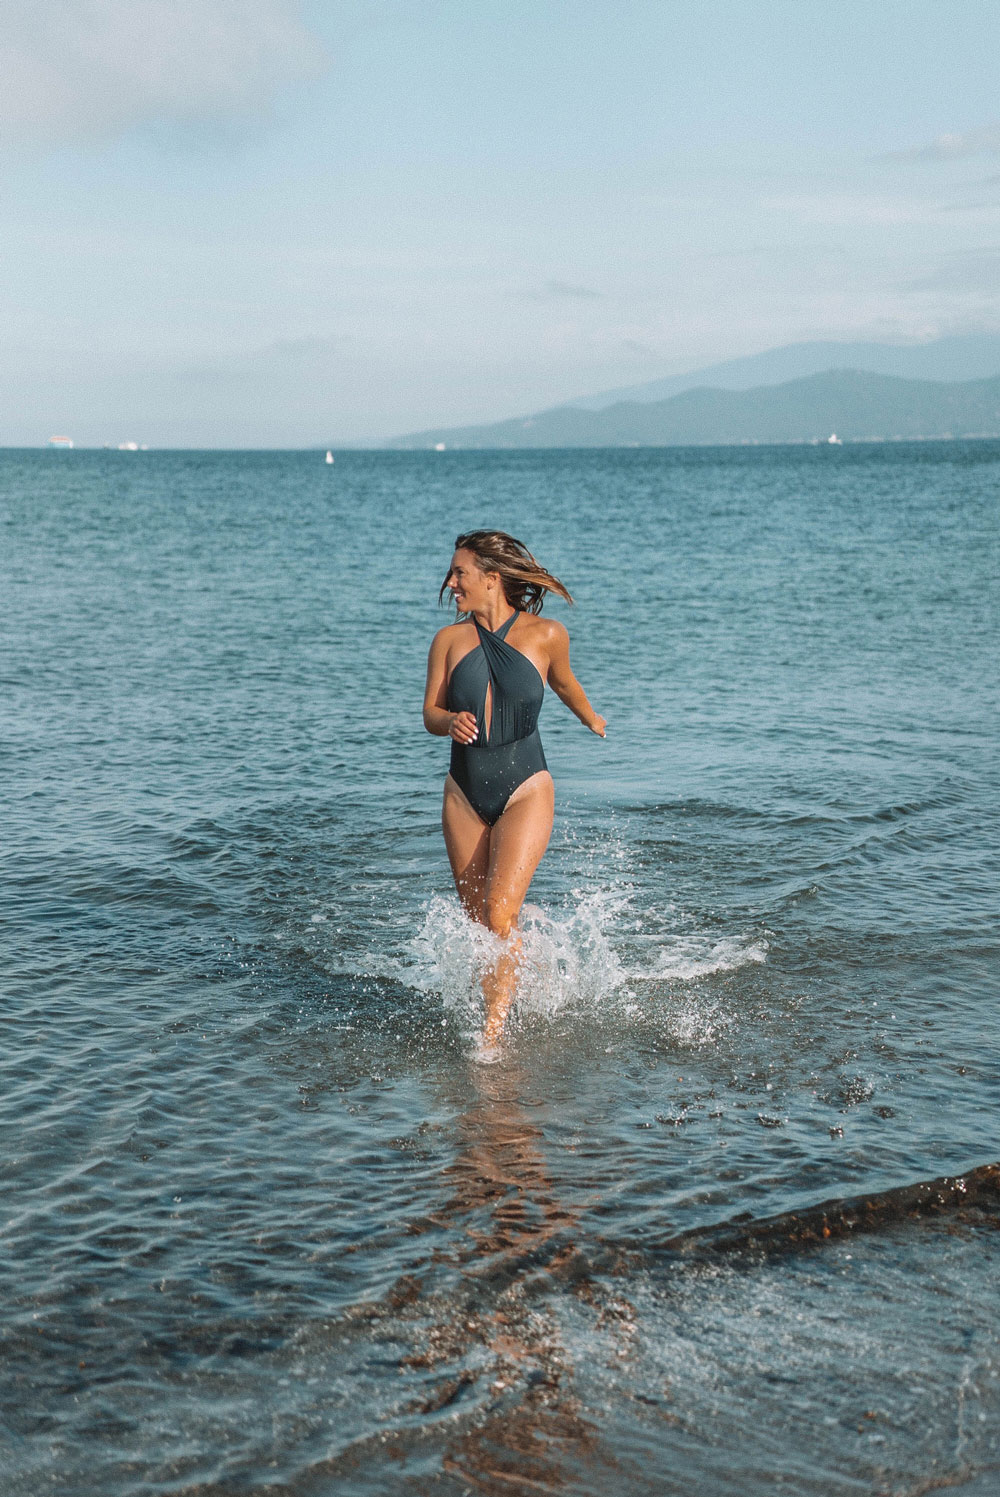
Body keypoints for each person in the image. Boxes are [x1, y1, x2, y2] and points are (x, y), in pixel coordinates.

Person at [423, 530, 606, 1052]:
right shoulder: (447, 640)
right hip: (463, 793)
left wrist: (591, 717)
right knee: (480, 923)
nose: (451, 582)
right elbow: (429, 713)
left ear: (492, 578)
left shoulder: (546, 634)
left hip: (526, 787)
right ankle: (517, 984)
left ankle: (493, 1038)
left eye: (461, 572)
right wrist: (448, 721)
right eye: (453, 572)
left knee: (500, 915)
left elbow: (565, 683)